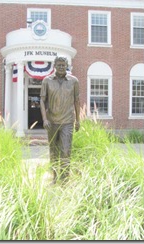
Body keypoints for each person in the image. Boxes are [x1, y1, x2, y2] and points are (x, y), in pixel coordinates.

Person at [40, 56, 80, 184]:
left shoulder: (74, 81)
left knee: (66, 151)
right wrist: (44, 119)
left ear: (66, 66)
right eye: (59, 65)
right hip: (52, 122)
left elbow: (77, 101)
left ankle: (65, 178)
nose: (61, 67)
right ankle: (55, 177)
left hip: (67, 122)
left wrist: (78, 120)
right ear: (54, 66)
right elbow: (42, 100)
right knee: (54, 152)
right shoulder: (47, 81)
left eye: (63, 65)